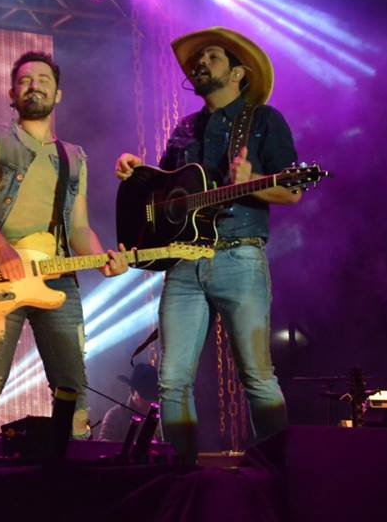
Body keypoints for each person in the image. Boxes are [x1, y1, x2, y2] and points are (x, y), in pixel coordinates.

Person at [115, 27, 301, 463]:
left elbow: (292, 190)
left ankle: (278, 471)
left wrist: (251, 184)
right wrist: (135, 170)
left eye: (212, 57)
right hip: (183, 263)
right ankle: (180, 474)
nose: (200, 64)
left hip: (239, 255)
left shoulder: (264, 120)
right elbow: (160, 194)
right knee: (172, 379)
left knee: (255, 373)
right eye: (197, 61)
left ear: (239, 72)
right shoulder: (184, 129)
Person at [0, 51, 129, 437]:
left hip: (56, 276)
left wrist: (103, 259)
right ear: (11, 94)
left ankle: (72, 469)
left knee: (73, 386)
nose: (35, 86)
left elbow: (79, 227)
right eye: (25, 81)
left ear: (58, 95)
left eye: (44, 81)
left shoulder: (74, 157)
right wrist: (1, 248)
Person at [95, 363, 159, 443]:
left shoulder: (162, 416)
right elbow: (105, 447)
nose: (150, 400)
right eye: (145, 395)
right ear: (132, 391)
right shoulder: (115, 415)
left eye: (153, 395)